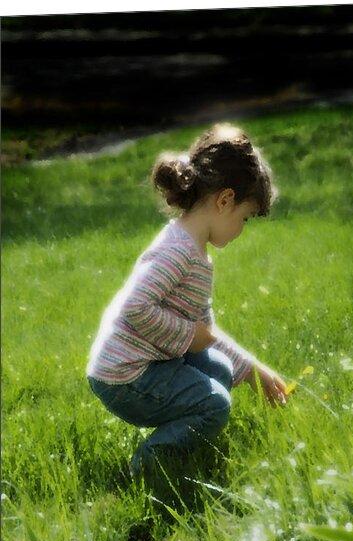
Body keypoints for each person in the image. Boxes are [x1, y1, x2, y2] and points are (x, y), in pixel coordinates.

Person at [87, 123, 288, 500]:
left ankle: (185, 438)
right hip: (125, 375)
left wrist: (253, 371)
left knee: (220, 369)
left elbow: (205, 335)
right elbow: (134, 307)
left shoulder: (195, 254)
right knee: (215, 403)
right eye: (244, 218)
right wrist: (186, 335)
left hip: (142, 364)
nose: (242, 229)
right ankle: (149, 466)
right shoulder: (178, 251)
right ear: (225, 200)